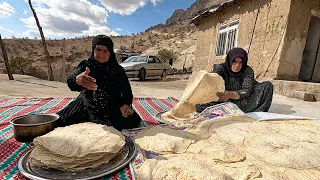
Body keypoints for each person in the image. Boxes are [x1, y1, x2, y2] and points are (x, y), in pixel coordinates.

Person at [57, 35, 141, 130]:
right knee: (59, 121)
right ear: (93, 50)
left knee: (133, 121)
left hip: (111, 108)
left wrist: (126, 104)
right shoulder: (86, 66)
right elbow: (70, 82)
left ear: (110, 53)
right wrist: (77, 80)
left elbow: (127, 92)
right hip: (86, 107)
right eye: (98, 49)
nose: (101, 54)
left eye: (105, 50)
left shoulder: (118, 70)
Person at [196, 47, 273, 113]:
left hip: (243, 99)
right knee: (199, 104)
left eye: (240, 62)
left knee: (267, 86)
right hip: (224, 99)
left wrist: (230, 94)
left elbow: (246, 91)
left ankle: (257, 111)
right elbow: (212, 84)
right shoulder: (220, 68)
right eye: (234, 61)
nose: (237, 65)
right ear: (230, 60)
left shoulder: (247, 71)